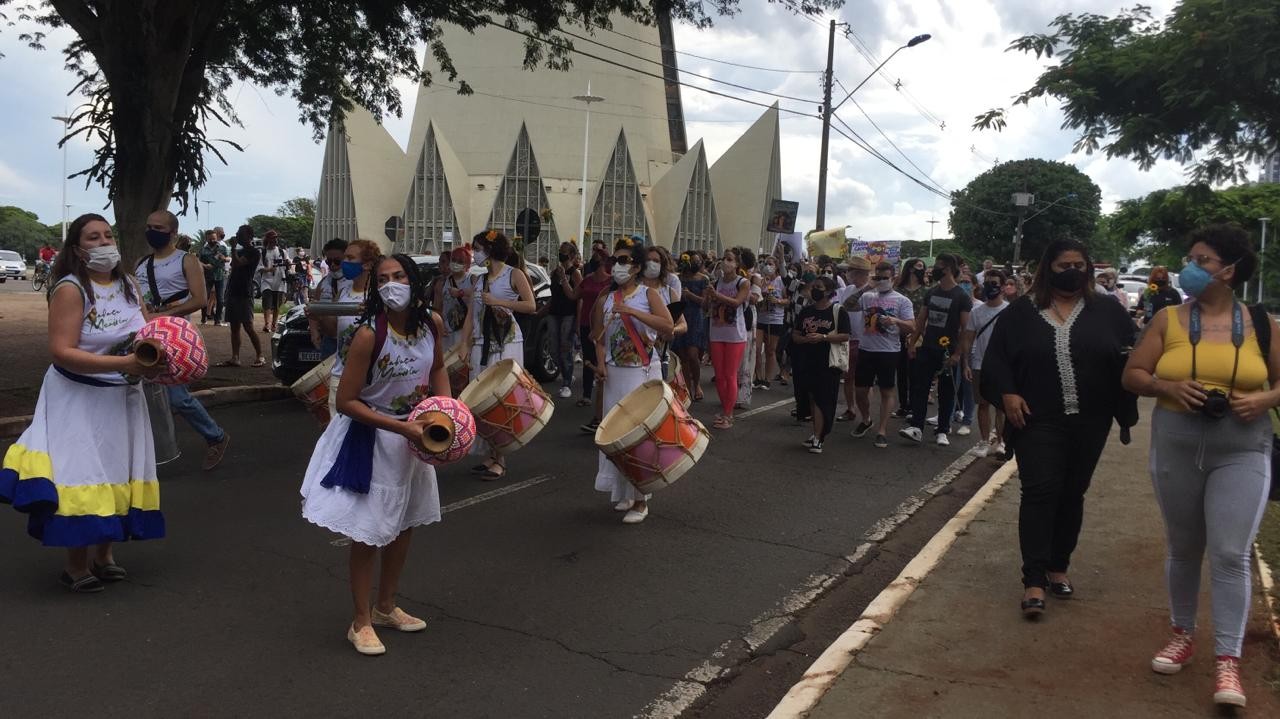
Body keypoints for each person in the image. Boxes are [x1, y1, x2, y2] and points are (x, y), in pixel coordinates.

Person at [1121, 225, 1276, 708]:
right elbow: (1133, 375)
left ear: (1228, 271)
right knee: (1184, 547)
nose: (1191, 266)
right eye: (1191, 257)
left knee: (1230, 552)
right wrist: (1167, 387)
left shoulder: (1262, 324)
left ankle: (1227, 661)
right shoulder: (1168, 318)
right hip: (1177, 444)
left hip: (1243, 446)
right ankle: (1182, 634)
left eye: (1202, 259)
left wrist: (1265, 398)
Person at [0, 213, 165, 592]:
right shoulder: (70, 289)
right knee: (81, 475)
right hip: (77, 396)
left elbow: (147, 330)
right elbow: (61, 351)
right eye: (93, 237)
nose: (105, 242)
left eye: (108, 234)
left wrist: (162, 357)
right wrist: (124, 363)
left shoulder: (128, 284)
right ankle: (75, 565)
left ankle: (105, 555)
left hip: (122, 395)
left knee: (117, 470)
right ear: (77, 248)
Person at [299, 253, 448, 656]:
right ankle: (360, 621)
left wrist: (447, 412)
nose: (392, 284)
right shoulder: (367, 334)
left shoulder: (432, 324)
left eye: (399, 275)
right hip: (374, 437)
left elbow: (436, 370)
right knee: (368, 533)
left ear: (414, 280)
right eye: (383, 279)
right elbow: (346, 401)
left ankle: (386, 607)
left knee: (403, 524)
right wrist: (402, 428)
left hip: (415, 435)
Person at [981, 239, 1136, 620]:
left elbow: (1131, 358)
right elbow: (996, 359)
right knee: (1039, 491)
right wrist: (1008, 393)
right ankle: (1033, 579)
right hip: (1036, 418)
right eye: (1064, 263)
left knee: (1072, 492)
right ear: (1048, 267)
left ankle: (1058, 566)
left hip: (1091, 419)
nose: (1072, 270)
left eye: (1079, 264)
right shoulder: (1022, 312)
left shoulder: (1109, 312)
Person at [135, 210, 231, 471]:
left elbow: (199, 300)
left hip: (174, 335)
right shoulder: (142, 263)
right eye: (149, 226)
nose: (152, 230)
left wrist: (163, 314)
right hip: (146, 333)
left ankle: (216, 436)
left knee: (176, 396)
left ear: (173, 232)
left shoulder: (187, 260)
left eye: (158, 227)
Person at [591, 238, 674, 524]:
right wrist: (601, 365)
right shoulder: (606, 298)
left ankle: (641, 499)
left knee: (638, 435)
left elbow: (668, 327)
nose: (617, 266)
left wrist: (634, 312)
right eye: (615, 260)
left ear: (637, 267)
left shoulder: (647, 295)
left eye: (624, 261)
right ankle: (624, 491)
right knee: (616, 434)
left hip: (640, 372)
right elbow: (598, 338)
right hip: (614, 373)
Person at [459, 230, 535, 479]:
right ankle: (489, 454)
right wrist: (464, 343)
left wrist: (501, 303)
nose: (475, 254)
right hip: (482, 342)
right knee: (480, 400)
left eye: (479, 249)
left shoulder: (514, 274)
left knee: (499, 398)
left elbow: (530, 305)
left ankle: (500, 457)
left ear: (491, 251)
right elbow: (471, 314)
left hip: (506, 342)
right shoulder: (478, 280)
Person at [900, 254, 971, 446]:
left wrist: (957, 354)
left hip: (948, 350)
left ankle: (942, 429)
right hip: (928, 347)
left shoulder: (962, 297)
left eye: (938, 266)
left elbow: (966, 329)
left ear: (947, 268)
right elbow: (921, 320)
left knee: (946, 391)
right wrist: (913, 343)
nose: (934, 270)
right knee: (920, 387)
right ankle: (916, 427)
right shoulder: (931, 293)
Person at [852, 262, 915, 447]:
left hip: (888, 350)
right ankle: (866, 419)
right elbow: (848, 305)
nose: (880, 281)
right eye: (877, 277)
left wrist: (895, 320)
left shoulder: (902, 300)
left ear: (893, 278)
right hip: (866, 349)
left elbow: (912, 325)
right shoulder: (867, 297)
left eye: (884, 278)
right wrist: (866, 288)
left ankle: (882, 429)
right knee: (860, 391)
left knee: (886, 390)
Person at [792, 276, 851, 454]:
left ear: (828, 291)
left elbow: (845, 335)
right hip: (806, 360)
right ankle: (816, 432)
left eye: (819, 287)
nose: (814, 290)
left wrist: (823, 337)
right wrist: (805, 339)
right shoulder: (806, 311)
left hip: (828, 362)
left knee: (822, 399)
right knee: (810, 397)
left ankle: (819, 437)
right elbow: (795, 334)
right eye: (813, 287)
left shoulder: (838, 311)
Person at [322, 239, 381, 418]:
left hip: (372, 379)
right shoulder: (343, 291)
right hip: (341, 375)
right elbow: (333, 332)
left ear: (368, 264)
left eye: (350, 258)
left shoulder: (379, 294)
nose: (345, 262)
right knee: (337, 435)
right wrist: (320, 315)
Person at [961, 269, 1009, 458]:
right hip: (980, 364)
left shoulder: (1010, 311)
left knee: (1001, 406)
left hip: (1003, 366)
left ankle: (1000, 441)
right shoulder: (976, 312)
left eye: (994, 284)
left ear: (1003, 286)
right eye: (987, 284)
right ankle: (983, 441)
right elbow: (968, 339)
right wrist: (966, 363)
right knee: (982, 404)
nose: (990, 287)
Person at [704, 248, 752, 429]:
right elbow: (706, 306)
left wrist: (717, 296)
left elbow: (737, 302)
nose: (726, 262)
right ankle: (725, 408)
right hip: (716, 332)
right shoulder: (716, 283)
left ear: (737, 263)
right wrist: (708, 297)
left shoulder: (743, 282)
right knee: (720, 375)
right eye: (724, 259)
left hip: (735, 335)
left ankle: (728, 414)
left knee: (730, 374)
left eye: (730, 259)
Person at [576, 247, 612, 428]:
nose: (594, 261)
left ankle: (601, 416)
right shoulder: (587, 280)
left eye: (597, 259)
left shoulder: (611, 283)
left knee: (601, 364)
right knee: (589, 359)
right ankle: (587, 394)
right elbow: (575, 296)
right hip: (586, 323)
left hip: (604, 328)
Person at [222, 225, 266, 368]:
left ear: (249, 236)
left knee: (248, 326)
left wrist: (234, 249)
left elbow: (239, 263)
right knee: (234, 326)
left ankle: (260, 355)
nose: (237, 236)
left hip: (244, 292)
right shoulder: (240, 251)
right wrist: (235, 250)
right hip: (234, 290)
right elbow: (234, 264)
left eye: (240, 234)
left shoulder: (254, 252)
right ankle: (235, 357)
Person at [835, 257, 872, 422]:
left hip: (865, 340)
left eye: (850, 271)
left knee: (864, 379)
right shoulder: (847, 289)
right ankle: (850, 408)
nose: (847, 274)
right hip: (847, 338)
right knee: (848, 376)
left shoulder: (873, 292)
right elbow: (843, 307)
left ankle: (866, 411)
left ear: (860, 273)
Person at [893, 258, 928, 419]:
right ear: (910, 269)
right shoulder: (898, 289)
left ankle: (914, 406)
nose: (921, 269)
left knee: (916, 373)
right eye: (918, 266)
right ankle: (903, 405)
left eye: (923, 267)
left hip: (919, 335)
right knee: (901, 372)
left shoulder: (926, 291)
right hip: (899, 333)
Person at [548, 241, 582, 398]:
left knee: (565, 348)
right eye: (560, 252)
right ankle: (566, 373)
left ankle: (566, 382)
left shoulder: (575, 273)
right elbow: (552, 296)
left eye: (565, 253)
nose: (562, 256)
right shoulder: (555, 272)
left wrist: (578, 321)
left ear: (572, 256)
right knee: (554, 349)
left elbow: (578, 297)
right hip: (554, 313)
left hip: (568, 314)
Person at [308, 238, 350, 358]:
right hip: (329, 341)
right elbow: (313, 307)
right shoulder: (324, 283)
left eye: (337, 261)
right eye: (328, 261)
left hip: (350, 340)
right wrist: (314, 331)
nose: (332, 265)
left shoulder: (355, 282)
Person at [431, 245, 474, 355]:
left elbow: (481, 295)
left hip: (467, 332)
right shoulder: (442, 283)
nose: (456, 263)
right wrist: (440, 325)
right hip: (448, 332)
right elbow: (437, 307)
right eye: (454, 260)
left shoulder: (473, 279)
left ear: (467, 264)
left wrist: (461, 293)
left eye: (460, 261)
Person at [754, 254, 788, 390]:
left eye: (771, 264)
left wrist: (778, 301)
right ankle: (758, 377)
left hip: (775, 319)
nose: (768, 266)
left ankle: (767, 379)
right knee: (756, 349)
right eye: (766, 263)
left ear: (776, 267)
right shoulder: (761, 280)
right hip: (761, 318)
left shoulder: (780, 281)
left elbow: (787, 299)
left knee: (770, 350)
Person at [255, 230, 288, 332]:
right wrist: (269, 269)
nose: (275, 239)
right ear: (268, 239)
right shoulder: (263, 252)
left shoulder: (282, 252)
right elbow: (259, 268)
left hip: (279, 281)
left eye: (276, 237)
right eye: (273, 237)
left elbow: (287, 265)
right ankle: (267, 324)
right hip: (267, 281)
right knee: (267, 302)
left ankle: (274, 324)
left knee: (277, 304)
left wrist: (286, 264)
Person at [197, 230, 228, 325]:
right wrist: (205, 266)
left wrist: (225, 259)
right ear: (206, 239)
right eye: (210, 239)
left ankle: (217, 320)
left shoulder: (222, 248)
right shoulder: (203, 250)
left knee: (220, 299)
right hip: (207, 276)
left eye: (214, 238)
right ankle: (203, 318)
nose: (213, 240)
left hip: (219, 276)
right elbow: (198, 261)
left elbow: (228, 258)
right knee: (205, 298)